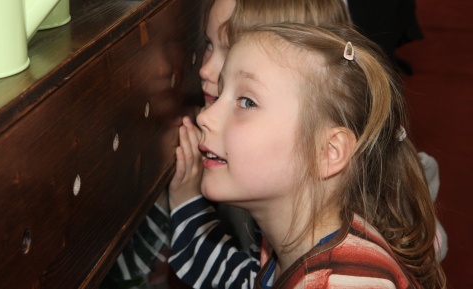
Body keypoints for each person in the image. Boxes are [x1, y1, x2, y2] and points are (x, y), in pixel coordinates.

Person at [169, 22, 446, 288]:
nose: (206, 116)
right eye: (220, 94)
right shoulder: (290, 243)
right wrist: (186, 201)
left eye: (246, 102)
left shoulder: (345, 283)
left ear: (327, 152)